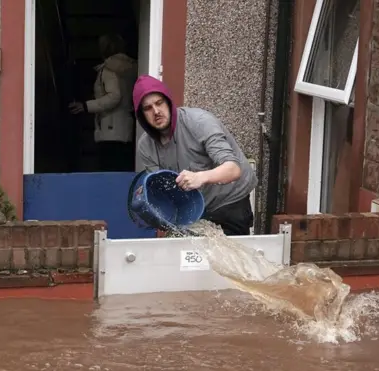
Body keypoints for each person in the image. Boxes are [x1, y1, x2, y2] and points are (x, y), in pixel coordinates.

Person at [132, 75, 258, 236]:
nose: (156, 111)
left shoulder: (199, 122)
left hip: (229, 199)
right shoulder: (145, 146)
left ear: (169, 102)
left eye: (159, 103)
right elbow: (162, 190)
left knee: (229, 259)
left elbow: (233, 169)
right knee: (187, 258)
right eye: (148, 108)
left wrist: (201, 177)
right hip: (192, 207)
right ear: (141, 115)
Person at [69, 33, 138, 172]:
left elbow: (114, 97)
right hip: (127, 126)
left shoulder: (108, 70)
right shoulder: (132, 67)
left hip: (110, 128)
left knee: (109, 170)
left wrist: (86, 106)